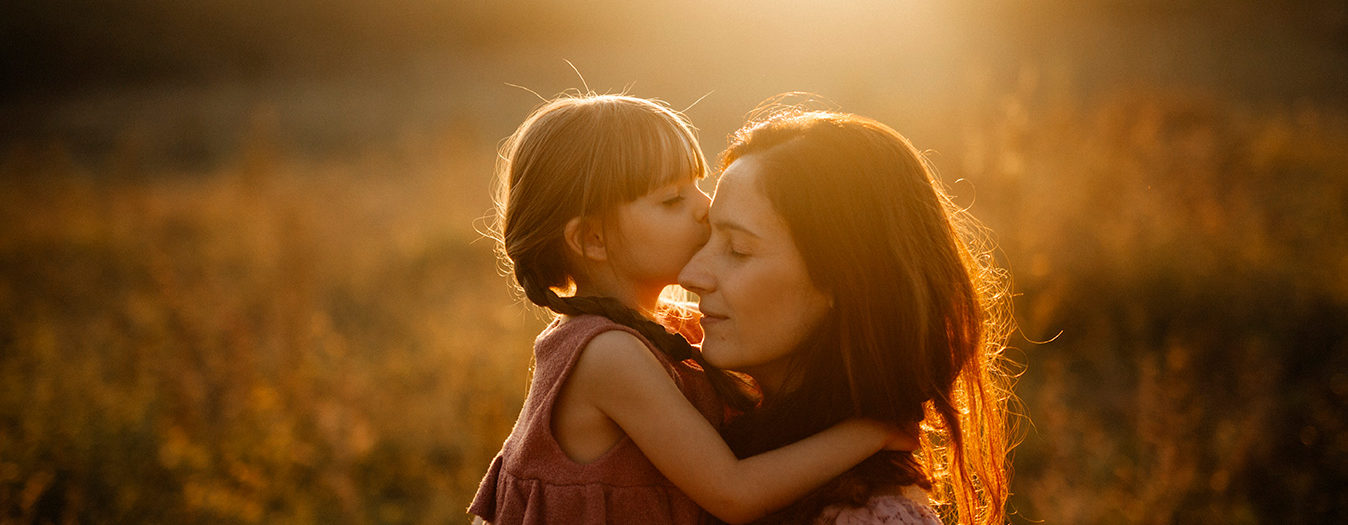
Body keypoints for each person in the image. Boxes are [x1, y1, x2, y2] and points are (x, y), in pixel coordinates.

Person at [468, 94, 914, 525]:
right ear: (592, 239)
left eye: (697, 186)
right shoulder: (607, 354)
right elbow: (734, 494)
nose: (705, 208)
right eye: (672, 200)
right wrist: (870, 431)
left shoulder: (653, 327)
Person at [679, 106, 1016, 525]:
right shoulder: (692, 432)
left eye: (738, 250)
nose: (690, 274)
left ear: (844, 279)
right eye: (706, 236)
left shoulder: (869, 518)